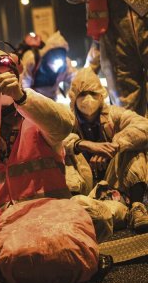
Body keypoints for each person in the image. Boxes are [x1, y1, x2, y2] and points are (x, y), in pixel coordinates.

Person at [0, 44, 75, 211]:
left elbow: (64, 125)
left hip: (53, 216)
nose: (4, 82)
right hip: (3, 225)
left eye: (10, 76)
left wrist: (21, 97)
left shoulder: (37, 118)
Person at [63, 68, 148, 232]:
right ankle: (73, 209)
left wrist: (115, 145)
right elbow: (54, 138)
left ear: (102, 96)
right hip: (85, 186)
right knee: (66, 154)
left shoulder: (114, 114)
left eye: (93, 93)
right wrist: (82, 144)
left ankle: (137, 207)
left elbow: (144, 126)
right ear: (73, 98)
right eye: (82, 94)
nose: (88, 99)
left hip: (115, 181)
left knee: (132, 145)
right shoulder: (68, 118)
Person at [20, 31, 77, 101]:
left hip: (52, 100)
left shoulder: (66, 65)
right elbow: (24, 83)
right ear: (47, 54)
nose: (58, 57)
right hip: (34, 100)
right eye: (54, 54)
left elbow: (76, 79)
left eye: (61, 54)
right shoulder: (33, 61)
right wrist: (26, 101)